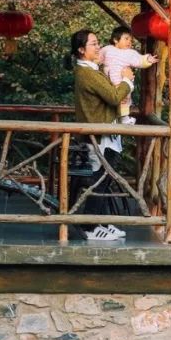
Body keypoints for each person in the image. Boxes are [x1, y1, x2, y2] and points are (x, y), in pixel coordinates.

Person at [67, 29, 135, 241]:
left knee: (104, 181)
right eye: (93, 44)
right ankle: (89, 227)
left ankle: (100, 222)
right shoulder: (86, 73)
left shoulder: (91, 70)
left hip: (104, 133)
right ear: (81, 50)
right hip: (99, 136)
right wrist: (127, 81)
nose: (98, 47)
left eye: (98, 43)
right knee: (99, 181)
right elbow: (114, 97)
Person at [99, 25, 158, 124]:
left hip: (123, 82)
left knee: (124, 101)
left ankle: (124, 119)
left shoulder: (130, 53)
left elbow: (139, 60)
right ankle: (110, 119)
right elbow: (97, 58)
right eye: (126, 39)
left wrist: (148, 59)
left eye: (130, 40)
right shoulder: (107, 49)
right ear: (115, 40)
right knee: (108, 101)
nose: (129, 42)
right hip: (108, 82)